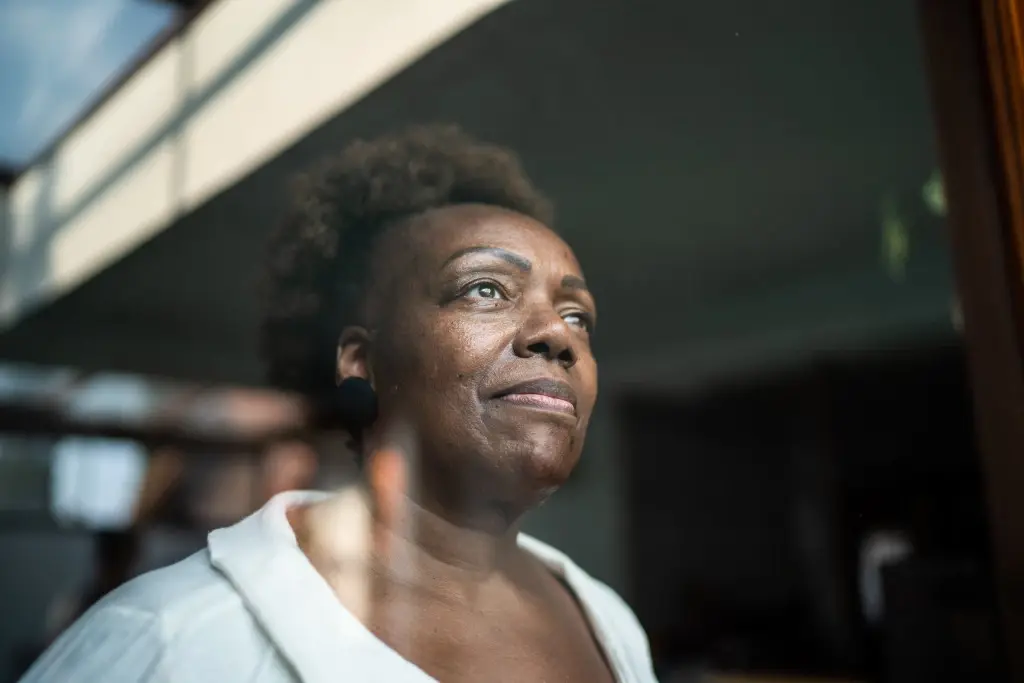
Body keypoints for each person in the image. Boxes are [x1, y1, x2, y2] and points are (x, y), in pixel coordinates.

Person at [20, 125, 657, 682]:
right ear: (361, 361)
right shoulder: (170, 638)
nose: (557, 334)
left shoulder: (608, 619)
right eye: (486, 288)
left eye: (578, 315)